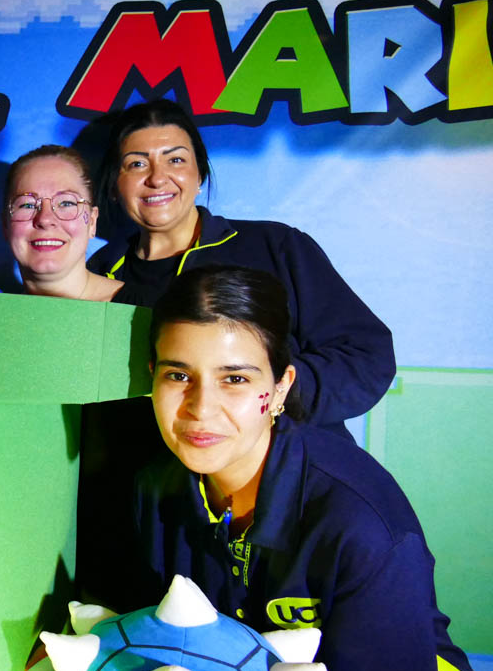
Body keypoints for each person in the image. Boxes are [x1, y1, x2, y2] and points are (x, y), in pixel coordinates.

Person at [81, 265, 493, 671]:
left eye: (235, 379)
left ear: (279, 387)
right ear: (153, 377)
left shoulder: (360, 526)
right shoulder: (153, 490)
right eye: (179, 375)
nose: (200, 408)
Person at [87, 98, 394, 433]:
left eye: (175, 160)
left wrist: (269, 398)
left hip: (286, 458)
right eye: (136, 164)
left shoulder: (274, 246)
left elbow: (366, 355)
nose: (157, 178)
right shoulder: (99, 273)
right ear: (114, 185)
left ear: (199, 174)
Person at [2, 145, 125, 301]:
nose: (45, 219)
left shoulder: (142, 308)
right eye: (28, 205)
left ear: (92, 222)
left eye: (66, 203)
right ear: (5, 225)